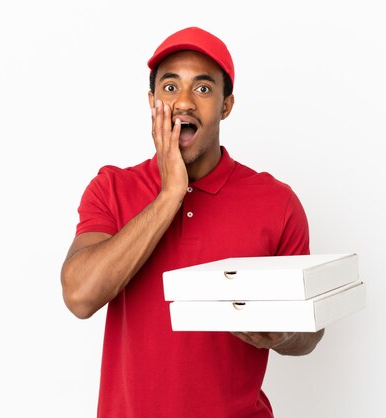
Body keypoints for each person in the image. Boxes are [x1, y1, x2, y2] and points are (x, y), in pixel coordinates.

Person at [61, 26, 324, 418]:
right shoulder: (112, 188)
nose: (183, 102)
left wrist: (286, 334)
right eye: (170, 88)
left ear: (226, 105)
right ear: (152, 101)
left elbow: (311, 329)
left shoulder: (276, 202)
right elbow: (80, 296)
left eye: (202, 89)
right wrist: (170, 194)